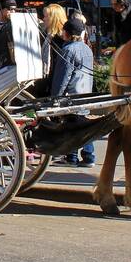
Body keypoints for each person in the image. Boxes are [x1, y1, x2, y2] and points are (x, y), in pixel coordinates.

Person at [51, 17, 96, 166]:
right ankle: (89, 156)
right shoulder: (87, 48)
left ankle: (72, 158)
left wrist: (55, 98)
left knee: (71, 127)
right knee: (83, 126)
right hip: (85, 92)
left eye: (64, 31)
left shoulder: (68, 50)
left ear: (68, 33)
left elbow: (63, 77)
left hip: (72, 94)